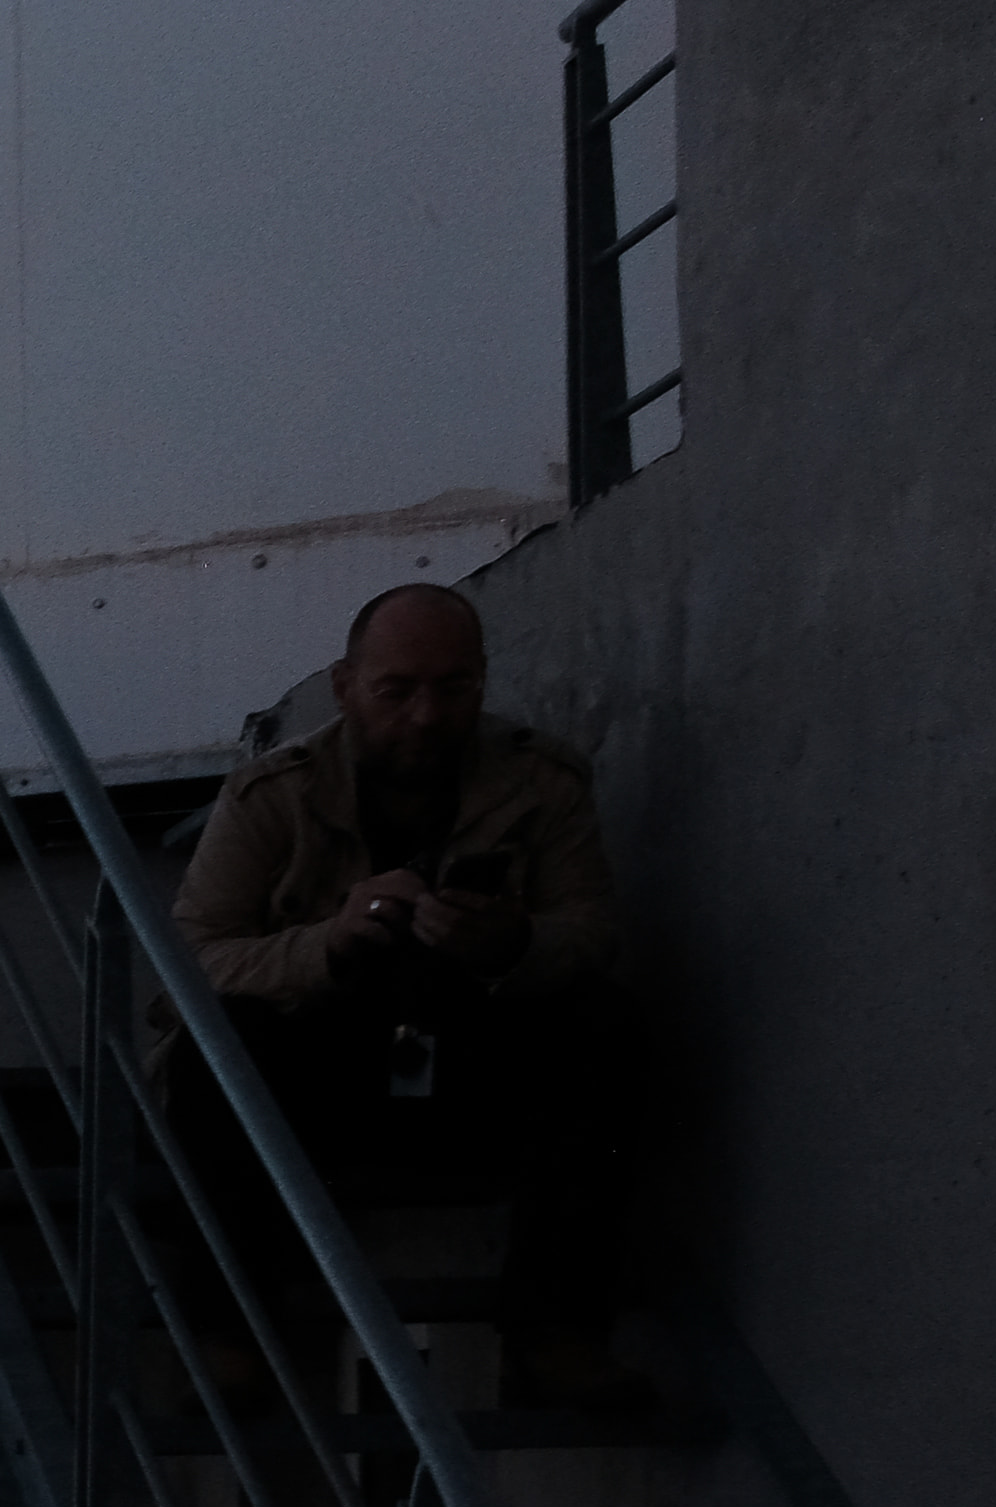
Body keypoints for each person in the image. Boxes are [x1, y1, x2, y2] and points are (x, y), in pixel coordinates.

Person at [168, 579, 650, 1408]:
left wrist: (512, 943)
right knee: (219, 1046)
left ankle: (558, 1341)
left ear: (482, 681)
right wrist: (331, 942)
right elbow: (188, 964)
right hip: (324, 1071)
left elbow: (592, 929)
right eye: (398, 690)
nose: (427, 715)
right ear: (345, 686)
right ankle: (230, 1347)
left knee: (603, 1027)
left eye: (453, 687)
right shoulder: (271, 796)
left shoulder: (542, 782)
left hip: (474, 1063)